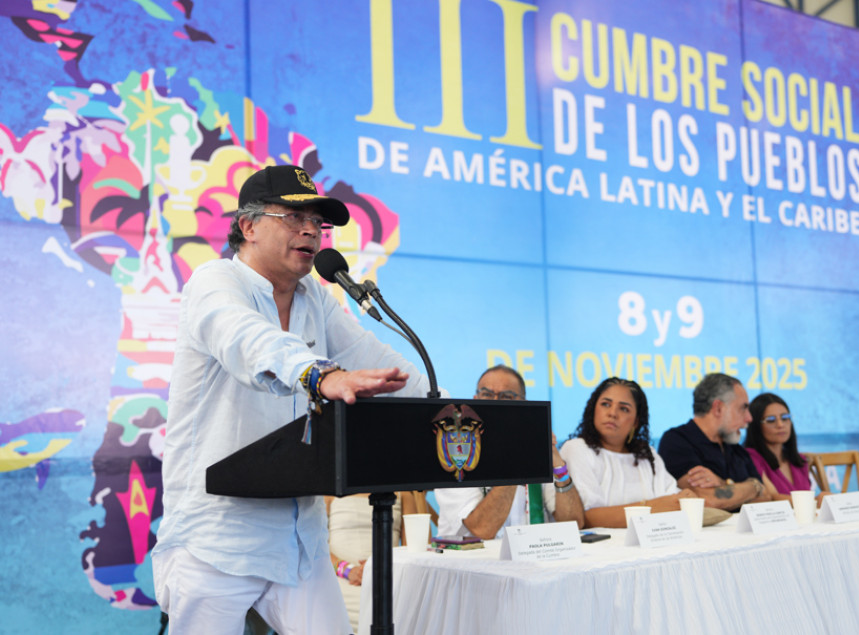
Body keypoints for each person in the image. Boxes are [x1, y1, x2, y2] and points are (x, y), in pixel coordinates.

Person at [151, 164, 431, 635]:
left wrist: (443, 408)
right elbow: (249, 340)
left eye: (317, 224)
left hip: (300, 540)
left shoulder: (315, 300)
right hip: (216, 539)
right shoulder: (215, 283)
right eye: (293, 218)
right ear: (248, 226)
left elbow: (382, 365)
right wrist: (320, 374)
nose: (311, 232)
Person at [434, 365, 585, 539]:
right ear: (475, 399)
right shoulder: (456, 449)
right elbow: (482, 529)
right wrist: (516, 457)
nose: (495, 402)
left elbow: (573, 523)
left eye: (507, 396)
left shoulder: (534, 449)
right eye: (487, 394)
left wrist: (556, 461)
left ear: (524, 404)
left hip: (531, 557)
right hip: (469, 560)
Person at [560, 378, 697, 528]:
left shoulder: (646, 454)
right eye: (605, 404)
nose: (612, 413)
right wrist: (651, 508)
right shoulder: (577, 449)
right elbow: (585, 517)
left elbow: (673, 501)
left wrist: (686, 498)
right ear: (593, 409)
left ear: (635, 422)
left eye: (624, 409)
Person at [658, 373, 769, 510]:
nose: (749, 418)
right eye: (743, 408)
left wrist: (724, 484)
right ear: (718, 408)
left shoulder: (735, 448)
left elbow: (766, 497)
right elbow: (706, 500)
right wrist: (753, 486)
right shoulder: (676, 441)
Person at [324, 492, 418, 634]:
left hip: (388, 579)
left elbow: (415, 548)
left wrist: (383, 568)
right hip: (340, 579)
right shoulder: (330, 494)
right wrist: (348, 570)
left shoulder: (403, 494)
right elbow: (316, 546)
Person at [744, 393, 817, 501]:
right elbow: (772, 498)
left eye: (785, 418)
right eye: (771, 420)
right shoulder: (750, 457)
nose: (780, 425)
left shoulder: (800, 460)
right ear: (755, 425)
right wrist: (816, 501)